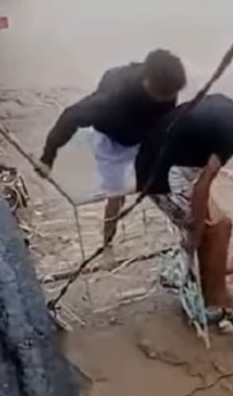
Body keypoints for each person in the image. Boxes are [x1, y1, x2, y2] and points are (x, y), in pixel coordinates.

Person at [136, 80, 233, 317]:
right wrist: (197, 230)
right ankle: (213, 296)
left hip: (154, 158)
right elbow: (203, 183)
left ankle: (209, 283)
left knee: (222, 223)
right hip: (158, 179)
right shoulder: (232, 135)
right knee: (214, 230)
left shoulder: (220, 100)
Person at [38, 49, 187, 247]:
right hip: (113, 139)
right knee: (116, 196)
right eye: (167, 94)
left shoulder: (167, 91)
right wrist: (47, 158)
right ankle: (107, 243)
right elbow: (70, 116)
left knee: (159, 178)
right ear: (149, 83)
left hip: (145, 132)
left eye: (174, 94)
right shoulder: (111, 103)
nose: (172, 98)